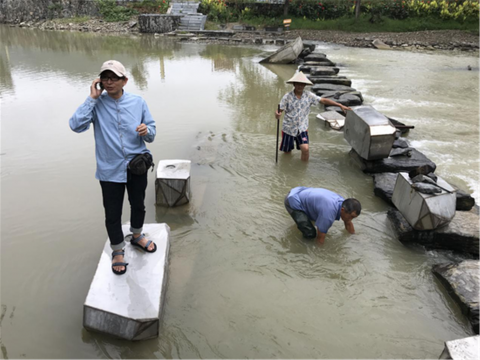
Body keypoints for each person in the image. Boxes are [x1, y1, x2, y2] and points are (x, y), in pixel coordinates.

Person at [69, 60, 156, 275]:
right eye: (105, 78)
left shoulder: (138, 102)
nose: (109, 82)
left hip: (137, 165)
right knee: (112, 212)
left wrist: (147, 131)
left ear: (124, 80)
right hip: (110, 169)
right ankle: (117, 249)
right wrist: (91, 98)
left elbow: (152, 133)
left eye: (114, 78)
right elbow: (75, 125)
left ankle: (137, 236)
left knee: (138, 205)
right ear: (99, 81)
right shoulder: (96, 104)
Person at [275, 71, 351, 161]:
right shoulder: (287, 97)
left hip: (302, 128)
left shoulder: (309, 95)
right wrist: (277, 114)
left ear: (305, 85)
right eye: (298, 84)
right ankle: (286, 171)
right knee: (287, 152)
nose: (300, 86)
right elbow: (279, 110)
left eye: (302, 84)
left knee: (305, 149)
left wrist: (339, 105)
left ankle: (302, 171)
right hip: (289, 128)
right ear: (294, 84)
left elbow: (323, 100)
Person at [284, 187, 361, 244]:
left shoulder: (344, 203)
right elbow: (320, 239)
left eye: (353, 217)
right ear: (343, 210)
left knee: (313, 220)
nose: (351, 219)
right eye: (351, 216)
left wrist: (354, 238)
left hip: (300, 192)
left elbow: (348, 222)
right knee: (310, 233)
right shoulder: (328, 214)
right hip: (292, 200)